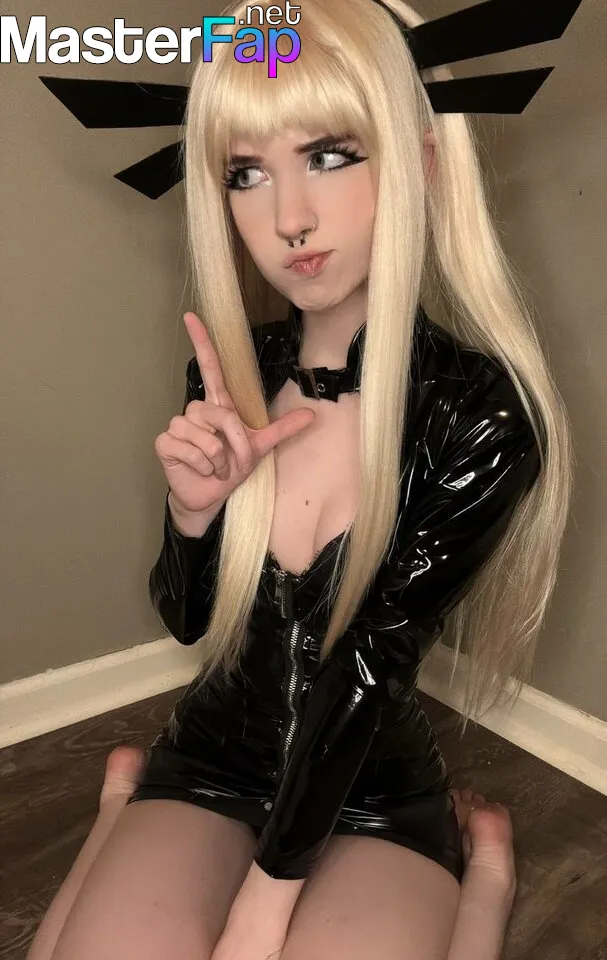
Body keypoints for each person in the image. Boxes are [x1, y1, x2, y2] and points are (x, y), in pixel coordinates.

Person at [27, 0, 573, 957]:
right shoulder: (229, 372)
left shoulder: (482, 415)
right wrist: (191, 516)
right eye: (244, 173)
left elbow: (367, 661)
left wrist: (263, 905)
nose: (287, 219)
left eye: (329, 155)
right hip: (212, 758)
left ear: (422, 163)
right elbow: (191, 622)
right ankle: (124, 806)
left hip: (370, 787)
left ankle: (483, 878)